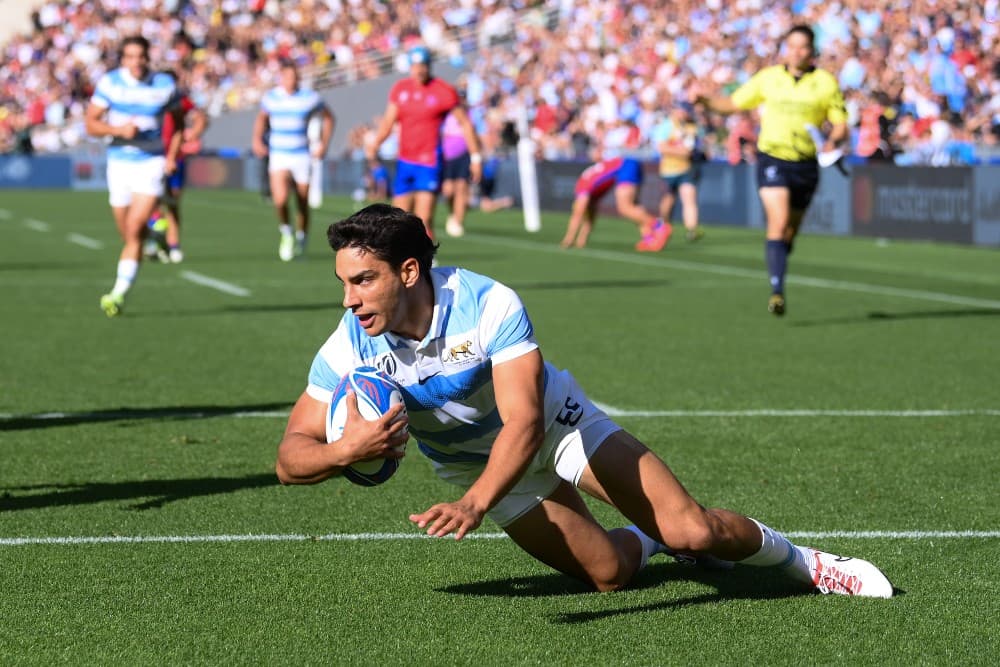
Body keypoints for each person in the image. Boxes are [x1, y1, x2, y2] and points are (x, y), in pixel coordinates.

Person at [274, 203, 894, 598]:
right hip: (477, 468)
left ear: (408, 273)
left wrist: (474, 502)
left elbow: (526, 420)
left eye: (363, 281)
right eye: (344, 284)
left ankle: (809, 564)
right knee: (609, 576)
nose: (349, 301)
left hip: (555, 430)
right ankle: (647, 539)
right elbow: (288, 459)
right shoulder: (348, 345)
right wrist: (344, 451)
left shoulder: (488, 303)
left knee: (695, 530)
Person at [693, 24, 847, 316]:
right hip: (773, 158)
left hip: (806, 163)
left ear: (812, 50)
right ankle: (777, 290)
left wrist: (833, 140)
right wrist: (706, 101)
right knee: (778, 221)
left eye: (802, 46)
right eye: (791, 46)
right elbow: (732, 103)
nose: (796, 52)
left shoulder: (826, 83)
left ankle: (778, 259)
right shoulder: (769, 78)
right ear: (784, 48)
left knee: (790, 230)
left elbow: (840, 123)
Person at [85, 35, 183, 317]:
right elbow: (91, 124)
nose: (136, 61)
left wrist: (172, 157)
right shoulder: (110, 83)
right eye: (130, 56)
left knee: (134, 228)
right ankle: (155, 236)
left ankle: (117, 294)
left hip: (150, 164)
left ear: (147, 57)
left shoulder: (164, 85)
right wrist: (118, 131)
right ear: (123, 59)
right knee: (128, 233)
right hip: (118, 165)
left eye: (141, 56)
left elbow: (177, 125)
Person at [364, 46, 482, 241]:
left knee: (423, 218)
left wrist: (476, 158)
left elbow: (465, 125)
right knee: (396, 219)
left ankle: (427, 263)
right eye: (416, 66)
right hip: (405, 161)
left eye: (423, 66)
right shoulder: (400, 90)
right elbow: (388, 122)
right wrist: (375, 142)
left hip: (429, 163)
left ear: (429, 66)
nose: (419, 71)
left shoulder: (443, 91)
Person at [252, 60, 335, 261]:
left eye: (294, 76)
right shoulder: (271, 98)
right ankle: (287, 232)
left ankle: (302, 238)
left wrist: (323, 144)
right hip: (279, 154)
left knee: (302, 201)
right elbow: (262, 118)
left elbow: (329, 118)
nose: (291, 80)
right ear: (281, 77)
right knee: (280, 199)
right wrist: (256, 139)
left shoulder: (309, 98)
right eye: (287, 76)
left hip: (301, 155)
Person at [144, 69, 208, 264]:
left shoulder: (180, 100)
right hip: (151, 156)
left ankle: (173, 245)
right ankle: (156, 240)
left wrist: (192, 135)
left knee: (173, 202)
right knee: (150, 202)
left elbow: (200, 118)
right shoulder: (147, 98)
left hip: (176, 158)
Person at [559, 156, 672, 251]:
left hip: (624, 166)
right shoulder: (590, 190)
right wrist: (581, 240)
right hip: (630, 164)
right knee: (633, 207)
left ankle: (659, 226)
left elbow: (578, 214)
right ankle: (648, 239)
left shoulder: (581, 189)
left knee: (624, 208)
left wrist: (568, 239)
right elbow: (591, 215)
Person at [653, 105, 705, 242]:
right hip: (668, 170)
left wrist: (687, 152)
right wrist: (681, 152)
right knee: (667, 200)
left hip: (686, 169)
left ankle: (692, 230)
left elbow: (694, 147)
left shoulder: (691, 127)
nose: (684, 114)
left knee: (689, 198)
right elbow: (661, 147)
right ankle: (663, 226)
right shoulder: (666, 125)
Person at [440, 107, 473, 238]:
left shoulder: (469, 114)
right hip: (447, 157)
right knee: (449, 190)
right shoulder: (445, 115)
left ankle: (458, 222)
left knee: (461, 188)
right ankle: (453, 212)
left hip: (464, 156)